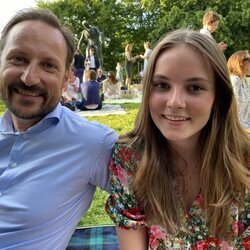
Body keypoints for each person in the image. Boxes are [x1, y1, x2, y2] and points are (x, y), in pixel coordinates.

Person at [105, 29, 250, 249]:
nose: (175, 102)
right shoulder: (130, 158)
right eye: (162, 85)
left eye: (194, 88)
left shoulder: (245, 159)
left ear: (218, 96)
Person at [0, 8, 117, 249]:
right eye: (18, 59)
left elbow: (166, 194)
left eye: (48, 66)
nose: (29, 78)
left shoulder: (93, 144)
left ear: (67, 78)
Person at [227, 50, 250, 130]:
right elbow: (228, 108)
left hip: (245, 124)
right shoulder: (234, 80)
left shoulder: (243, 80)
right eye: (249, 60)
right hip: (235, 128)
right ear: (239, 62)